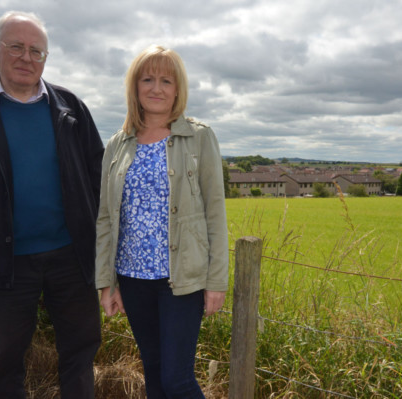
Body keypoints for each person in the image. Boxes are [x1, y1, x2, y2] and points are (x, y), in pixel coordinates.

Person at [0, 11, 104, 399]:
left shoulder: (71, 107)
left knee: (80, 353)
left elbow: (99, 179)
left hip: (72, 259)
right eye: (16, 47)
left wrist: (106, 251)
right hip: (2, 263)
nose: (27, 58)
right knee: (4, 361)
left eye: (36, 51)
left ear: (46, 58)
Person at [95, 44, 229, 398]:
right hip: (132, 277)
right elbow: (106, 218)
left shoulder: (199, 137)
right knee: (153, 375)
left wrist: (217, 281)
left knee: (177, 379)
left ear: (178, 89)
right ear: (135, 87)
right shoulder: (117, 145)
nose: (156, 88)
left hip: (181, 279)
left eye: (166, 80)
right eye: (148, 79)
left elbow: (215, 213)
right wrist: (106, 282)